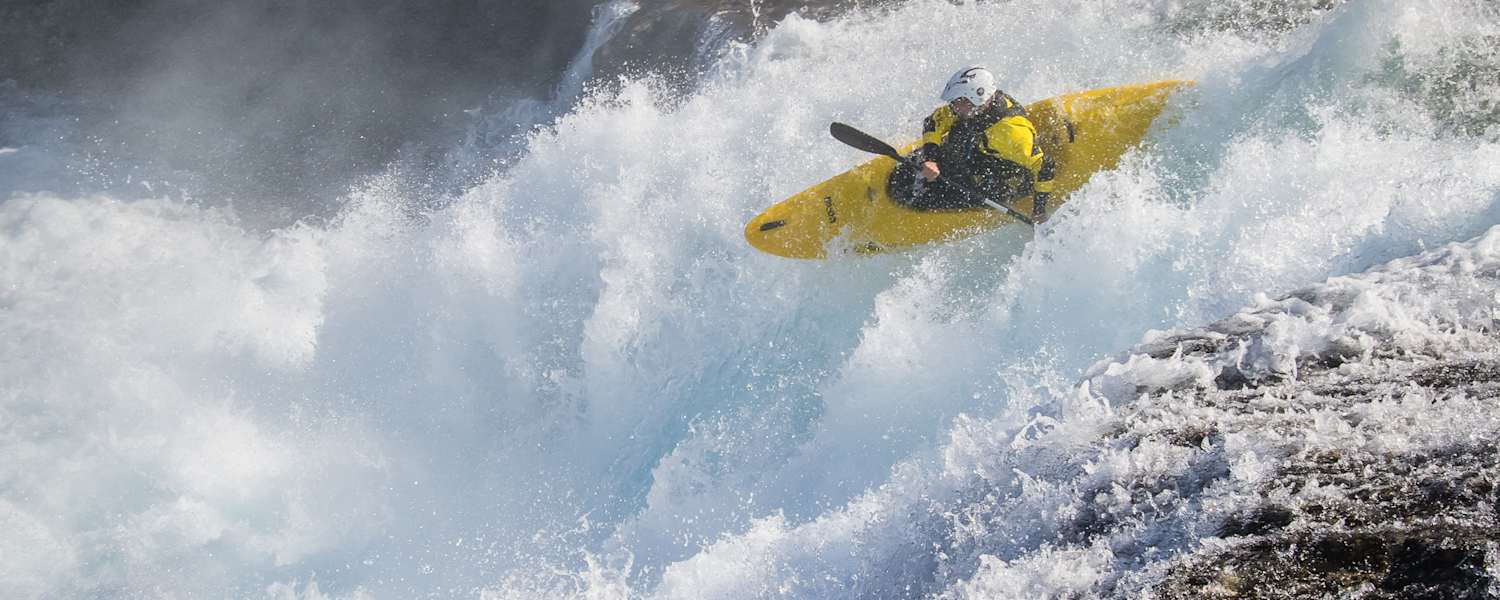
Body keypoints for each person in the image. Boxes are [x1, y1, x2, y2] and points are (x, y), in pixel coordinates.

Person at [888, 66, 1056, 222]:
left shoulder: (1011, 133)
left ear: (976, 98)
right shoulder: (974, 107)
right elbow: (933, 122)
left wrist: (1039, 211)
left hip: (1008, 174)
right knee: (958, 132)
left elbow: (1045, 166)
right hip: (982, 150)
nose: (953, 106)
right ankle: (942, 171)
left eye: (957, 101)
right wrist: (931, 158)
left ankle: (945, 191)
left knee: (958, 191)